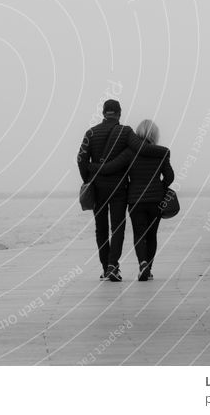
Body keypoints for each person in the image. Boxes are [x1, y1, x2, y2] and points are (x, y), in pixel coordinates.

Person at [77, 100, 167, 282]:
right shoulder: (125, 132)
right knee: (117, 227)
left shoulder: (91, 133)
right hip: (119, 188)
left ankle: (106, 268)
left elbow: (81, 159)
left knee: (100, 228)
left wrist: (87, 180)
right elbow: (142, 148)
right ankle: (112, 266)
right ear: (119, 113)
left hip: (97, 187)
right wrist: (164, 151)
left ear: (103, 113)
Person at [98, 119, 174, 281]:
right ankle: (148, 269)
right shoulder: (161, 152)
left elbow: (110, 168)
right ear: (155, 134)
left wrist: (91, 167)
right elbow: (170, 176)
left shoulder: (129, 152)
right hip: (156, 200)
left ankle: (143, 264)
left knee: (139, 233)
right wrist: (161, 187)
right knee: (152, 235)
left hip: (135, 200)